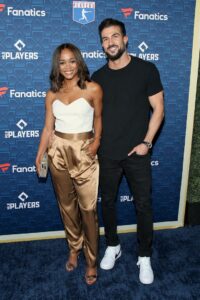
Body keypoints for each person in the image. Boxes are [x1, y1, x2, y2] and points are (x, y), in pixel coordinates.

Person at [91, 18, 164, 284]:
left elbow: (159, 109)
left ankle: (144, 255)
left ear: (125, 38)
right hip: (107, 153)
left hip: (137, 153)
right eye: (105, 39)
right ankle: (113, 245)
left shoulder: (146, 70)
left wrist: (146, 143)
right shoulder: (97, 78)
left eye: (114, 36)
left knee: (143, 205)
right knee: (107, 203)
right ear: (101, 44)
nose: (110, 42)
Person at [36, 43, 102, 285]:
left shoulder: (93, 88)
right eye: (62, 62)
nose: (68, 66)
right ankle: (74, 248)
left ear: (79, 62)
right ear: (57, 65)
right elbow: (47, 127)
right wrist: (40, 152)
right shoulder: (52, 93)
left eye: (72, 61)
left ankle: (92, 260)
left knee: (88, 209)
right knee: (67, 206)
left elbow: (98, 118)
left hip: (84, 152)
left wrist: (96, 143)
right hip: (58, 153)